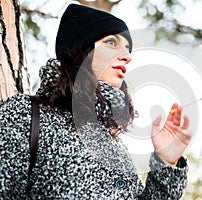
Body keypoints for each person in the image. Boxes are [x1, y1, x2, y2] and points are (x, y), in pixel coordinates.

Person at [0, 3, 192, 199]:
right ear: (81, 49)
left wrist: (166, 162)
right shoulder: (25, 114)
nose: (127, 57)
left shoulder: (115, 146)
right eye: (111, 42)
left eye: (127, 49)